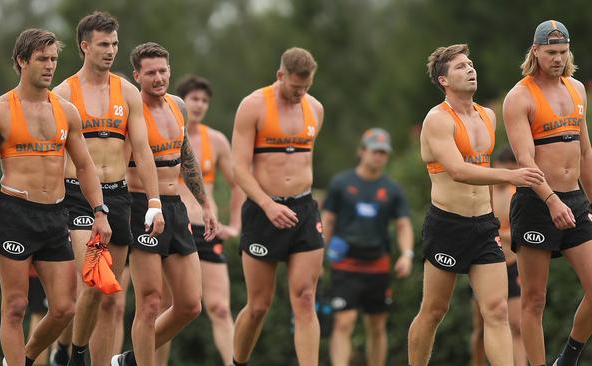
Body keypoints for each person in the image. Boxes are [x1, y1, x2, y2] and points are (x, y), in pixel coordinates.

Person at [0, 28, 111, 366]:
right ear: (22, 61)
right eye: (42, 59)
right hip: (15, 213)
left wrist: (100, 212)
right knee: (16, 306)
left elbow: (86, 167)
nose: (50, 66)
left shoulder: (66, 111)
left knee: (65, 308)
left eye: (54, 60)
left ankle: (26, 357)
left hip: (54, 215)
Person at [408, 43, 545, 366]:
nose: (471, 70)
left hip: (484, 226)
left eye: (471, 64)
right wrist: (514, 176)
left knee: (496, 311)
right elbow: (457, 171)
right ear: (443, 80)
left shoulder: (488, 116)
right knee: (433, 311)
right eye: (460, 67)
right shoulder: (437, 120)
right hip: (447, 224)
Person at [52, 11, 164, 366]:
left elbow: (143, 151)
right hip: (76, 196)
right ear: (85, 46)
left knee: (105, 291)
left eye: (115, 44)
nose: (111, 51)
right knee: (91, 276)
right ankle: (73, 355)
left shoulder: (127, 92)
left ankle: (78, 351)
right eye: (103, 44)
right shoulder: (64, 92)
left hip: (117, 194)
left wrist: (154, 201)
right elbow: (52, 153)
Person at [503, 20, 592, 366]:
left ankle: (568, 358)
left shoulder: (577, 89)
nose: (557, 59)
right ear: (535, 51)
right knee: (534, 300)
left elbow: (586, 153)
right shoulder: (519, 97)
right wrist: (551, 201)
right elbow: (525, 162)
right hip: (536, 203)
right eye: (550, 52)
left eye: (563, 52)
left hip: (575, 200)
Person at [108, 42, 218, 366]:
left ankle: (129, 360)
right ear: (137, 75)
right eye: (150, 72)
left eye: (163, 70)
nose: (158, 78)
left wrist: (206, 204)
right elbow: (113, 165)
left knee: (190, 305)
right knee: (150, 302)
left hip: (175, 205)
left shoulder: (178, 106)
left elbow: (186, 155)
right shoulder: (131, 112)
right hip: (140, 205)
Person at [231, 47, 324, 366]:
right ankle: (237, 361)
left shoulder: (315, 109)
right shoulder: (253, 105)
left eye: (306, 87)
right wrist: (268, 205)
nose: (300, 94)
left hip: (303, 210)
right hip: (262, 212)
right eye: (295, 87)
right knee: (258, 306)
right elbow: (239, 168)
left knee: (306, 298)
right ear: (280, 75)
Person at [322, 128, 414, 366]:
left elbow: (403, 225)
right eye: (375, 151)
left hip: (378, 265)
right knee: (344, 322)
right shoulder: (341, 184)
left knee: (376, 325)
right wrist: (319, 257)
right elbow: (328, 221)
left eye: (384, 153)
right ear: (361, 151)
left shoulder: (392, 189)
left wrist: (406, 253)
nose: (379, 157)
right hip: (345, 263)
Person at [174, 75, 244, 366]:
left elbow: (239, 183)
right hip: (175, 227)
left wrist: (236, 225)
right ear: (181, 101)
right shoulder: (166, 132)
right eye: (194, 99)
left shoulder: (215, 140)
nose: (199, 105)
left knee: (219, 307)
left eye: (204, 100)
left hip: (207, 230)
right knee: (164, 307)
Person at [469, 146, 527, 366]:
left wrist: (503, 233)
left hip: (512, 265)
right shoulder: (485, 189)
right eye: (506, 171)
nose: (510, 176)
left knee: (516, 326)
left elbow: (523, 231)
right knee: (482, 327)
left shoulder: (517, 193)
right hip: (485, 265)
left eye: (513, 171)